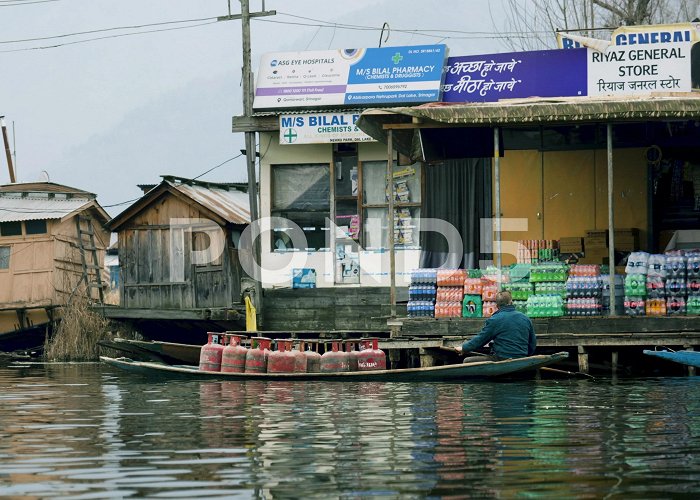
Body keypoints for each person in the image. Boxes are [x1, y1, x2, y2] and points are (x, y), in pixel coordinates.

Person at [456, 290, 536, 363]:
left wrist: (464, 348)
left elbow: (481, 339)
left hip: (502, 359)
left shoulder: (495, 319)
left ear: (497, 306)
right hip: (522, 358)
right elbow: (532, 344)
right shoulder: (526, 319)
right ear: (511, 302)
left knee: (467, 361)